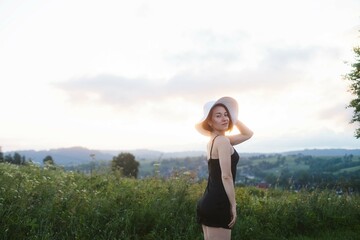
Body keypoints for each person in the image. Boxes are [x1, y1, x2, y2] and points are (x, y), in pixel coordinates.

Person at [195, 96, 253, 240]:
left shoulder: (215, 141)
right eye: (218, 116)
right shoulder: (222, 142)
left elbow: (248, 134)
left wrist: (234, 117)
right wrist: (233, 205)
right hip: (219, 203)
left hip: (208, 201)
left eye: (226, 115)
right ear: (210, 121)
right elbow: (226, 176)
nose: (224, 119)